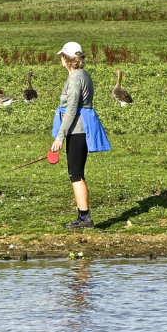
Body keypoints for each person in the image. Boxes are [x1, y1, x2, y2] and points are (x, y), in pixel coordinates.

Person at [50, 41, 111, 229]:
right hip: (78, 129)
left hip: (77, 130)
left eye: (62, 56)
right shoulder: (83, 75)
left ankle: (84, 218)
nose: (60, 59)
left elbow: (71, 109)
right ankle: (83, 216)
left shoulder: (75, 79)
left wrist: (59, 137)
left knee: (75, 174)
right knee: (76, 173)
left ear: (67, 59)